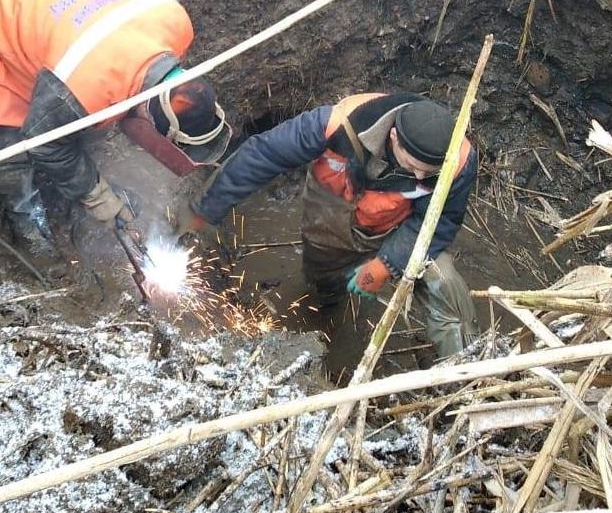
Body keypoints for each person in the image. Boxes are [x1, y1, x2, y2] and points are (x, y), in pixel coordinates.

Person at [0, 0, 230, 243]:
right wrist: (95, 196)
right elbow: (43, 143)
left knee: (79, 122)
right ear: (147, 115)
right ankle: (28, 223)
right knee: (9, 145)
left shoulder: (176, 23)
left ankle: (64, 183)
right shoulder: (79, 90)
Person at [188, 92, 478, 359]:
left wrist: (386, 264)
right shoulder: (336, 125)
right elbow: (262, 156)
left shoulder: (458, 160)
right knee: (324, 282)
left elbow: (441, 222)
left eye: (428, 172)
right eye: (412, 164)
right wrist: (207, 210)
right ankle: (329, 302)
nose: (418, 175)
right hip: (330, 214)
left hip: (399, 229)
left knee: (446, 283)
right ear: (393, 137)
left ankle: (462, 375)